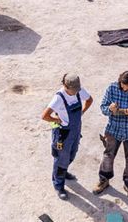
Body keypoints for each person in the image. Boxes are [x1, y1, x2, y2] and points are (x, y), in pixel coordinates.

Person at [93, 71, 128, 201]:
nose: (124, 89)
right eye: (123, 85)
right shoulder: (112, 88)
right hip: (113, 130)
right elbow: (103, 107)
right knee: (107, 157)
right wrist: (110, 109)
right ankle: (104, 180)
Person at [41, 73, 94, 201]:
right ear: (65, 86)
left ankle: (63, 173)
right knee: (61, 159)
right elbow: (44, 116)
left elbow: (89, 100)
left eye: (77, 89)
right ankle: (58, 185)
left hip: (75, 130)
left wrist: (82, 112)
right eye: (72, 90)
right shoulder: (58, 98)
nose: (75, 92)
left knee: (72, 154)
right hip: (63, 134)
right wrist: (57, 120)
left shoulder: (78, 90)